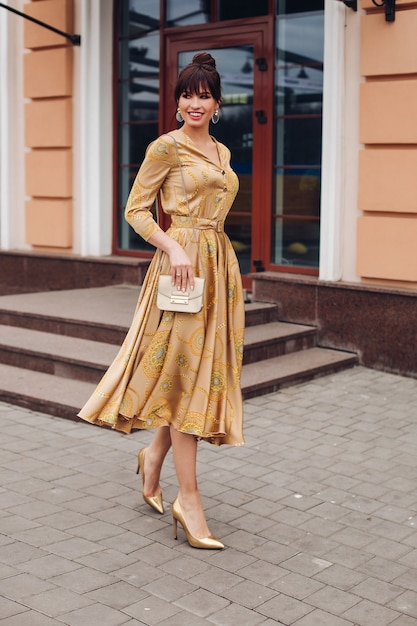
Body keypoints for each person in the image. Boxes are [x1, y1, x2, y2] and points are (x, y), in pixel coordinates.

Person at [78, 52, 245, 549]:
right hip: (181, 273)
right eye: (187, 94)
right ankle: (187, 499)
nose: (196, 102)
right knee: (185, 380)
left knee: (190, 376)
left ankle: (153, 458)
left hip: (216, 269)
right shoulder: (164, 149)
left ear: (217, 102)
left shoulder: (222, 152)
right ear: (176, 102)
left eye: (205, 95)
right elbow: (135, 210)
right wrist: (173, 245)